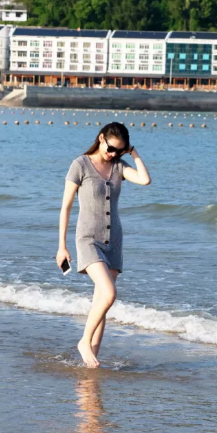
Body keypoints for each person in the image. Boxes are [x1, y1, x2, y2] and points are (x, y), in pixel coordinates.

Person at [57, 122, 151, 367]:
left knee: (102, 301)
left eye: (118, 151)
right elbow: (65, 207)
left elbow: (144, 180)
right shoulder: (80, 165)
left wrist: (134, 153)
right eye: (111, 149)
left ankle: (91, 361)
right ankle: (84, 342)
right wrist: (61, 246)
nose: (112, 154)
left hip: (114, 242)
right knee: (109, 294)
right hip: (88, 239)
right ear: (101, 139)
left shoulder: (119, 166)